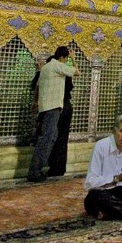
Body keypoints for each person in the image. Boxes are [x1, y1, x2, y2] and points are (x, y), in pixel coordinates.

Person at [27, 46, 78, 182]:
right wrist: (73, 59)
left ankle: (41, 168)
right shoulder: (57, 66)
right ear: (62, 58)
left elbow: (37, 86)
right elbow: (77, 72)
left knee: (51, 137)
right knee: (47, 138)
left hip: (46, 107)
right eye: (66, 58)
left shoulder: (45, 68)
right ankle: (35, 171)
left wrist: (35, 102)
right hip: (54, 106)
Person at [46, 58, 74, 177]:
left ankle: (54, 167)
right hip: (65, 105)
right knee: (61, 138)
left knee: (54, 137)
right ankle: (59, 168)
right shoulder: (64, 71)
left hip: (57, 105)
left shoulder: (51, 71)